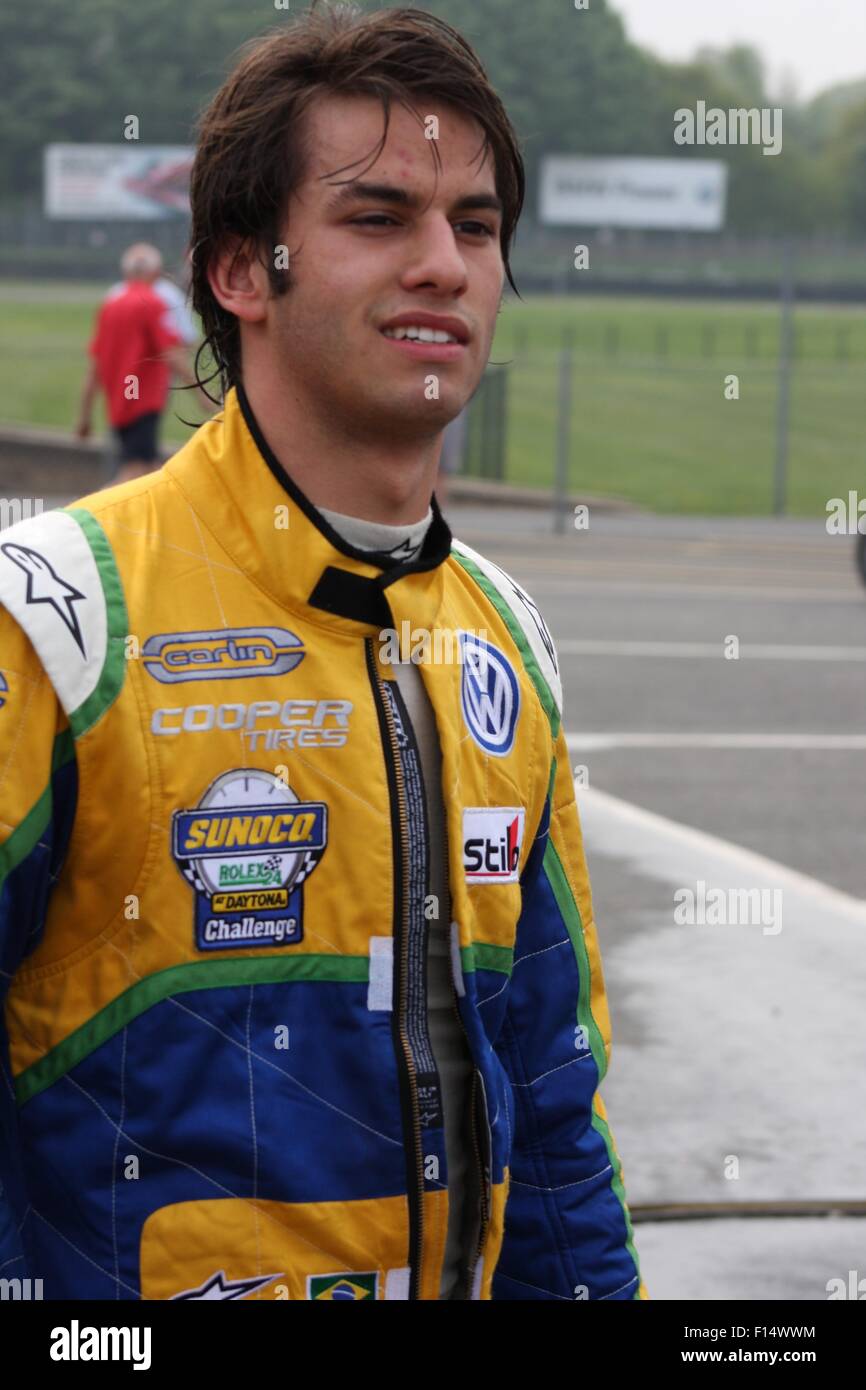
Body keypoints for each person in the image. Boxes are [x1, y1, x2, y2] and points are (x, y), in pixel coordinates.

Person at [0, 4, 646, 1301]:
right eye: (377, 216)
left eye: (472, 225)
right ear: (243, 267)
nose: (443, 264)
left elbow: (550, 1095)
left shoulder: (503, 636)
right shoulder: (59, 617)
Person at [76, 242, 208, 484]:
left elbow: (95, 366)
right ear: (156, 273)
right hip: (143, 400)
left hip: (119, 400)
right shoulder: (153, 303)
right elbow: (173, 352)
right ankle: (85, 517)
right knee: (135, 473)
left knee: (147, 468)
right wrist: (200, 393)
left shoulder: (110, 305)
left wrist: (84, 415)